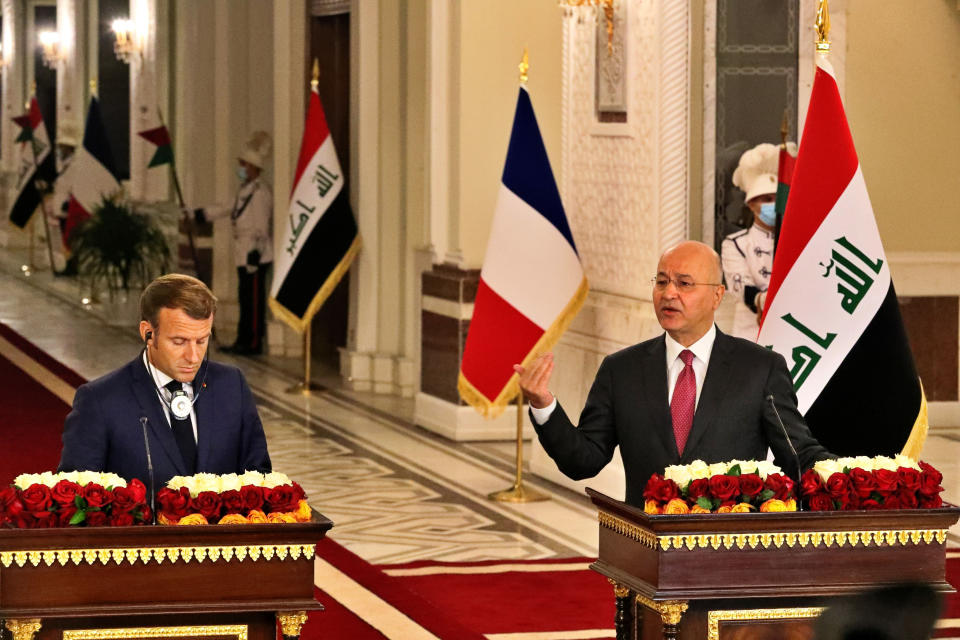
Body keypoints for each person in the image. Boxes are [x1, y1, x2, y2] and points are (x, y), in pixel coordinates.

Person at [515, 241, 833, 507]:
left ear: (717, 296)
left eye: (684, 283)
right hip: (647, 551)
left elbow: (796, 452)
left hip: (728, 551)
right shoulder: (621, 370)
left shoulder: (760, 368)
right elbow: (583, 460)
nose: (669, 293)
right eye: (661, 281)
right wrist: (544, 406)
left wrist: (850, 478)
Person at [58, 274, 272, 490]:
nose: (193, 356)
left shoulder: (232, 385)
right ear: (148, 333)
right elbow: (78, 500)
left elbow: (259, 476)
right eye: (179, 342)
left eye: (202, 341)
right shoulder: (100, 400)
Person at [192, 131, 274, 355]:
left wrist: (255, 253)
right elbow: (227, 207)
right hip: (242, 252)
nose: (241, 168)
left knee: (254, 301)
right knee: (244, 297)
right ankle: (242, 338)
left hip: (254, 254)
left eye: (243, 164)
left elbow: (261, 225)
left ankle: (254, 342)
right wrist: (201, 214)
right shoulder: (244, 190)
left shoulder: (261, 192)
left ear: (252, 167)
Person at [721, 142, 794, 340]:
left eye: (775, 199)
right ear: (751, 205)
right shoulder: (735, 244)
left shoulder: (796, 242)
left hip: (790, 332)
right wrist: (763, 300)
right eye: (765, 199)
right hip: (751, 334)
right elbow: (740, 286)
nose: (772, 205)